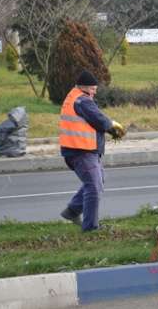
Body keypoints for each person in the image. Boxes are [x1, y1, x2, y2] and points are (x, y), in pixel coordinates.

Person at [59, 70, 125, 232]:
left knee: (97, 181)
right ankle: (90, 228)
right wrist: (113, 128)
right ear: (85, 87)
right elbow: (99, 119)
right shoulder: (82, 100)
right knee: (94, 186)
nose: (95, 91)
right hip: (81, 150)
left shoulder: (73, 95)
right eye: (93, 88)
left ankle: (72, 211)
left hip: (79, 149)